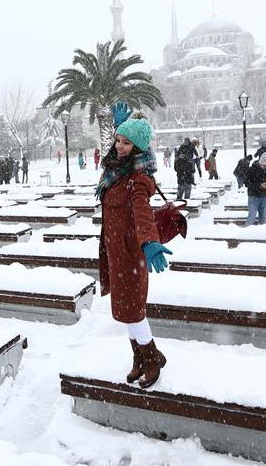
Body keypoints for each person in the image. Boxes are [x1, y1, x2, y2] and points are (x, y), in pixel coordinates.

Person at [95, 103, 170, 389]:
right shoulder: (116, 169)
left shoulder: (138, 178)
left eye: (127, 142)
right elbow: (110, 153)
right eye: (118, 140)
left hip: (130, 252)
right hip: (115, 250)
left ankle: (151, 357)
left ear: (138, 148)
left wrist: (150, 242)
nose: (120, 146)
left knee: (134, 310)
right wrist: (121, 126)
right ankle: (139, 357)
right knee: (126, 308)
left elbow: (141, 212)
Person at [245, 153, 266, 226]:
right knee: (251, 217)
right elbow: (246, 183)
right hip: (253, 196)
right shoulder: (252, 169)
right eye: (262, 165)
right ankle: (247, 233)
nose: (264, 167)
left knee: (263, 218)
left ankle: (261, 233)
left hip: (264, 196)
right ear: (260, 162)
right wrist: (259, 185)